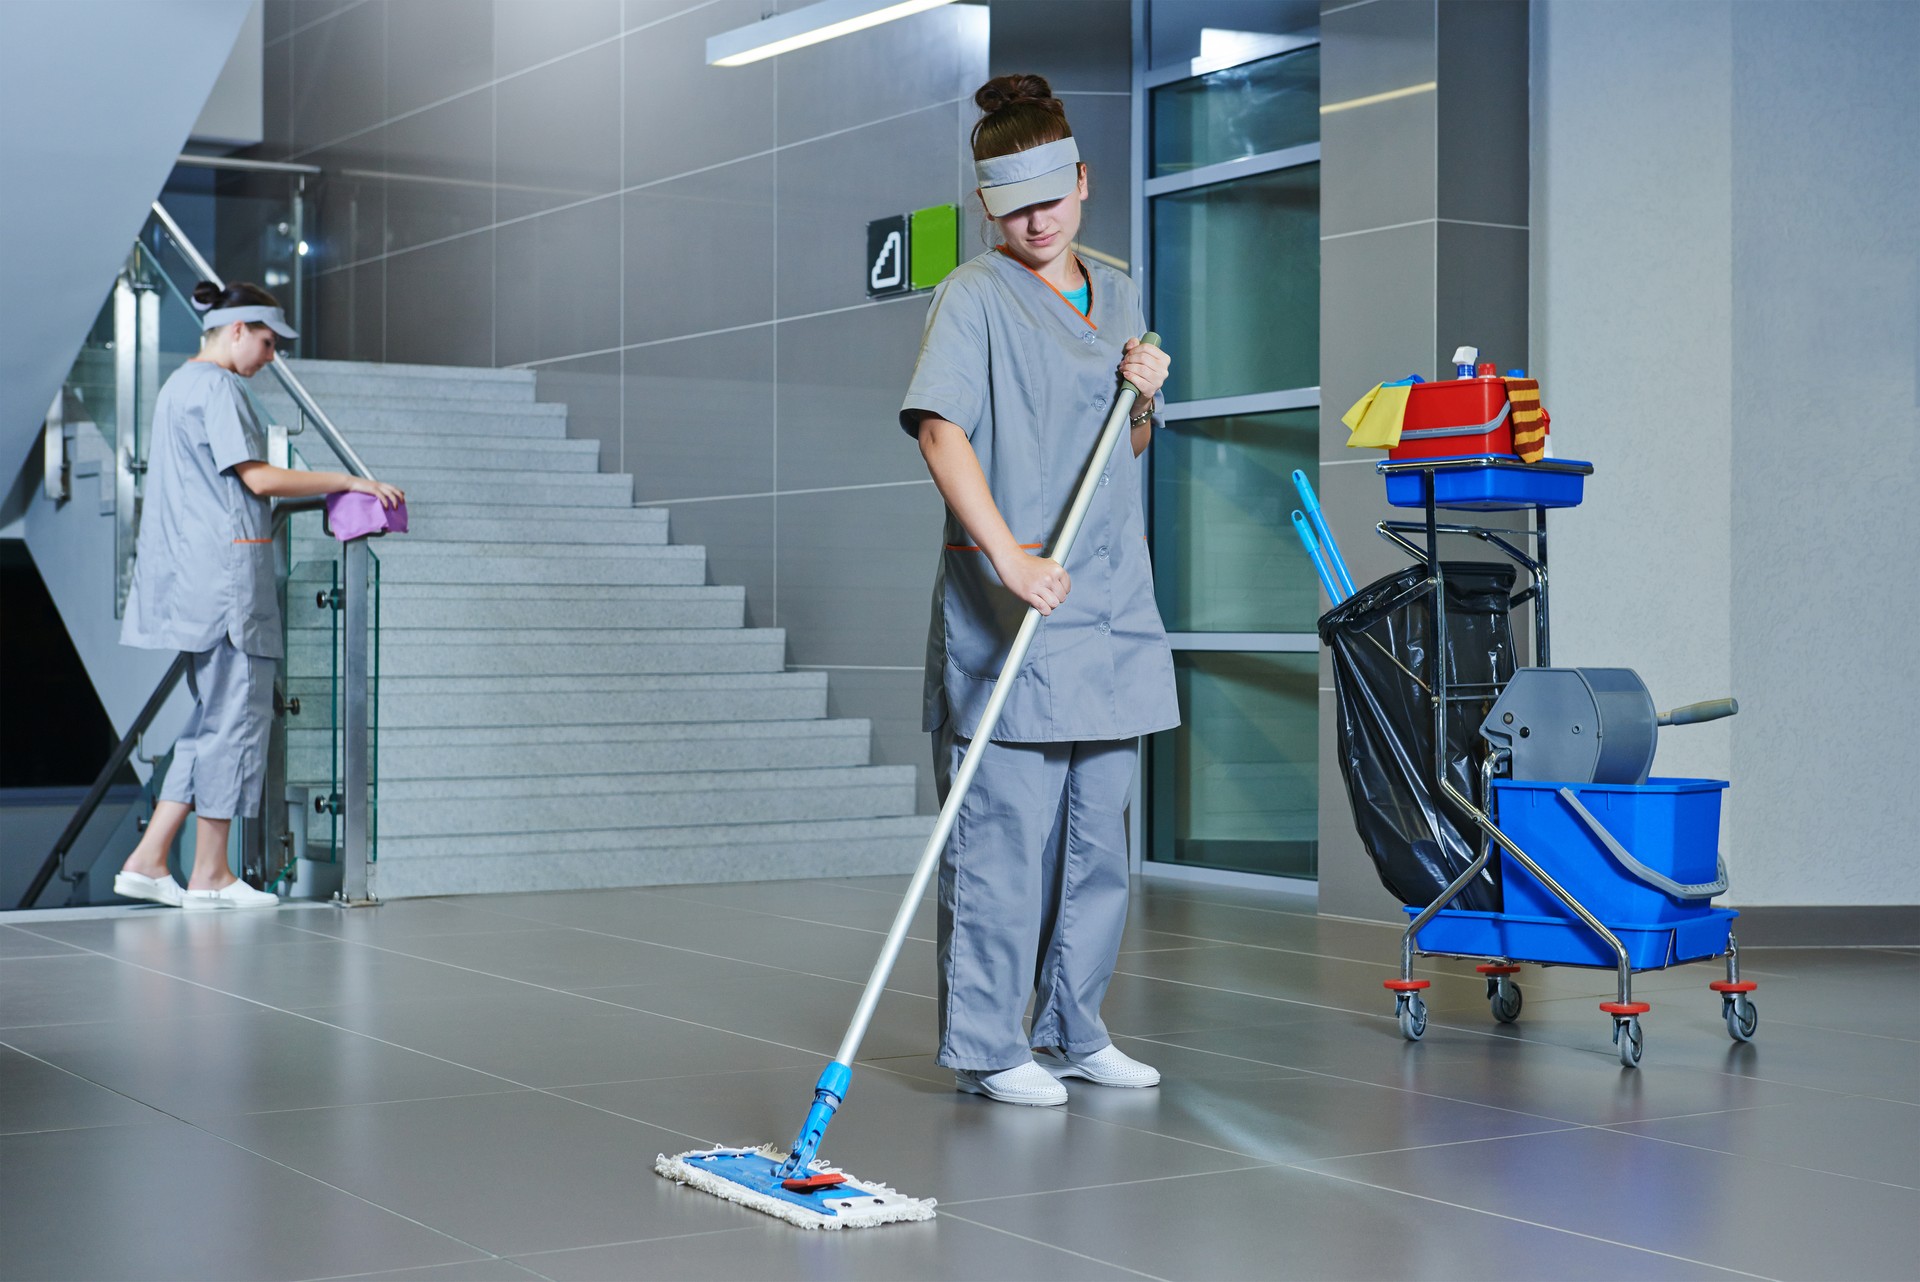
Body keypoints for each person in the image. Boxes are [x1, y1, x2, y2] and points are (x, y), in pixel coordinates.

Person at [900, 75, 1178, 1106]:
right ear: (987, 206)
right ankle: (986, 1046)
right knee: (1005, 843)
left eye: (1051, 196)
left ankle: (1075, 1026)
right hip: (1010, 600)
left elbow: (1130, 446)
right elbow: (941, 430)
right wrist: (1008, 559)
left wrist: (1145, 396)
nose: (1036, 219)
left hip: (1108, 604)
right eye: (1013, 204)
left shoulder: (1120, 287)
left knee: (1100, 839)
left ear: (1083, 182)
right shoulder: (971, 296)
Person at [113, 281, 403, 910]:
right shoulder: (218, 388)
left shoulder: (175, 388)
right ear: (237, 328)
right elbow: (259, 476)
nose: (271, 357)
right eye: (268, 343)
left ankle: (148, 857)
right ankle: (210, 875)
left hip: (194, 585)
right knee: (239, 722)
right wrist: (349, 479)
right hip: (227, 588)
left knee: (208, 723)